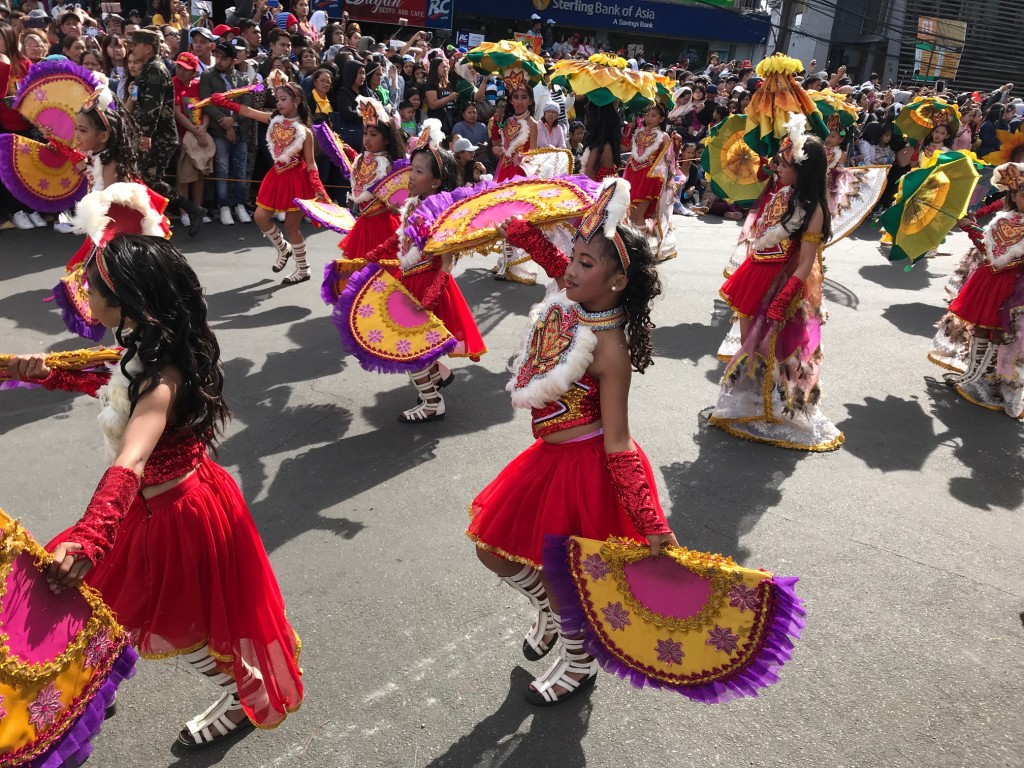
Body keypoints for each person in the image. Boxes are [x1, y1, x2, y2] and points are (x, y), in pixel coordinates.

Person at [6, 228, 303, 750]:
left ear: (124, 300)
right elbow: (108, 378)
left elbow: (134, 456)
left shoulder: (163, 376)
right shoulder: (146, 343)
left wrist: (93, 535)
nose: (84, 294)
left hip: (171, 516)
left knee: (176, 623)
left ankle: (239, 693)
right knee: (101, 601)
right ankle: (101, 672)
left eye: (92, 288)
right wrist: (36, 371)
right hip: (156, 506)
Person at [468, 177, 677, 705]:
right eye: (574, 257)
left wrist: (651, 520)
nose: (570, 268)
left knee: (569, 576)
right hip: (548, 457)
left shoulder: (610, 350)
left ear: (616, 281)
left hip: (585, 468)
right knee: (495, 551)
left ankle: (580, 661)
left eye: (586, 264)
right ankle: (551, 613)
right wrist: (517, 229)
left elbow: (618, 440)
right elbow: (549, 258)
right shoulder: (570, 298)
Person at [711, 119, 844, 451]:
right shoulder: (782, 194)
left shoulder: (813, 211)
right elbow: (760, 237)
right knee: (749, 345)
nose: (777, 168)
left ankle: (774, 406)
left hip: (783, 285)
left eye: (784, 164)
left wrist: (783, 299)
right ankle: (754, 403)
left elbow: (806, 263)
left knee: (780, 349)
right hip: (755, 275)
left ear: (802, 170)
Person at [359, 122, 486, 422]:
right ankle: (436, 379)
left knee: (410, 348)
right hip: (410, 279)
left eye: (418, 171)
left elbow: (446, 259)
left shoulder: (441, 212)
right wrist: (379, 251)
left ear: (435, 182)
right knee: (415, 346)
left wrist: (432, 293)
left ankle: (432, 401)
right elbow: (403, 235)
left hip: (429, 284)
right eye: (411, 168)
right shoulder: (415, 203)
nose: (410, 175)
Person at [212, 81, 328, 284]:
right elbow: (248, 112)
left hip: (297, 180)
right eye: (277, 100)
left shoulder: (305, 131)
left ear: (297, 101)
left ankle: (303, 269)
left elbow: (311, 163)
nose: (279, 103)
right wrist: (225, 102)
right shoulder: (274, 119)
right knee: (260, 216)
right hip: (276, 176)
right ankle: (283, 248)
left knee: (292, 227)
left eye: (284, 99)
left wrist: (317, 186)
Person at [933, 162, 1024, 417]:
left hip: (1015, 290)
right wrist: (971, 229)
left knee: (1007, 339)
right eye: (1023, 194)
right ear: (1013, 197)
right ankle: (972, 375)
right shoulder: (1001, 221)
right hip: (989, 282)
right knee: (982, 329)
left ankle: (1002, 386)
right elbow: (988, 249)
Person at [131, 28, 205, 234]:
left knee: (149, 178)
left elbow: (153, 106)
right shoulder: (148, 68)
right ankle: (155, 219)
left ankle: (191, 209)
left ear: (147, 48)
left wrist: (146, 135)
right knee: (147, 178)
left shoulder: (155, 69)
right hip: (154, 134)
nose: (132, 49)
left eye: (135, 45)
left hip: (159, 136)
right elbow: (139, 101)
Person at [326, 96, 407, 287]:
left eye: (373, 135)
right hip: (363, 223)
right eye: (365, 134)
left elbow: (397, 198)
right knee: (360, 270)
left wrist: (396, 205)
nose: (367, 139)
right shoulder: (363, 159)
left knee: (382, 273)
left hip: (383, 226)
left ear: (386, 140)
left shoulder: (388, 165)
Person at [200, 40, 252, 226]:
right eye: (217, 57)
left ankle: (239, 204)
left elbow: (247, 103)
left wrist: (235, 120)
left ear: (233, 60)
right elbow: (207, 102)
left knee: (240, 169)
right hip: (219, 131)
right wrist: (225, 123)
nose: (219, 61)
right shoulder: (208, 76)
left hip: (241, 130)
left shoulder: (243, 78)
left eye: (224, 58)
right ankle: (223, 206)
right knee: (222, 168)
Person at [622, 103, 670, 226]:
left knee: (639, 216)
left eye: (653, 115)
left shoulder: (664, 137)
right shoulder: (638, 132)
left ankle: (640, 244)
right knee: (629, 215)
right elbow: (625, 147)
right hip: (632, 174)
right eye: (647, 115)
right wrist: (628, 129)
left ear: (662, 119)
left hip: (648, 177)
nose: (649, 118)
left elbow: (669, 160)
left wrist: (677, 143)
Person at [581, 101, 621, 181]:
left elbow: (588, 180)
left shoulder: (600, 149)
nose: (585, 119)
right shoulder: (607, 145)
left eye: (588, 116)